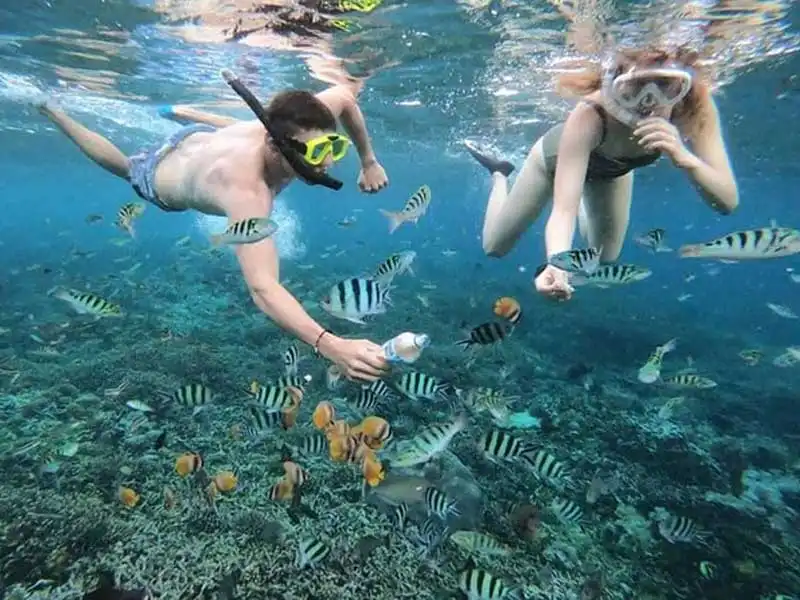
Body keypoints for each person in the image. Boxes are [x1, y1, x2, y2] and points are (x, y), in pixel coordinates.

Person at [36, 71, 390, 382]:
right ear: (276, 146)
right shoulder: (246, 192)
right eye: (316, 154)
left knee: (243, 127)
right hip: (160, 174)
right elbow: (264, 288)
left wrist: (369, 160)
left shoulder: (289, 124)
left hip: (202, 136)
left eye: (335, 145)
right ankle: (53, 111)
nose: (328, 162)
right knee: (124, 167)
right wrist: (331, 345)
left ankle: (183, 112)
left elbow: (344, 97)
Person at [465, 47, 739, 301]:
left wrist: (685, 158)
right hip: (553, 161)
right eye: (635, 86)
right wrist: (557, 264)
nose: (649, 101)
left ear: (682, 83)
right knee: (494, 247)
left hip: (613, 171)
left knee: (606, 256)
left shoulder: (691, 106)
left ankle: (583, 188)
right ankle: (500, 172)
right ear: (614, 80)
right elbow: (563, 211)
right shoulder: (590, 114)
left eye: (665, 85)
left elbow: (727, 201)